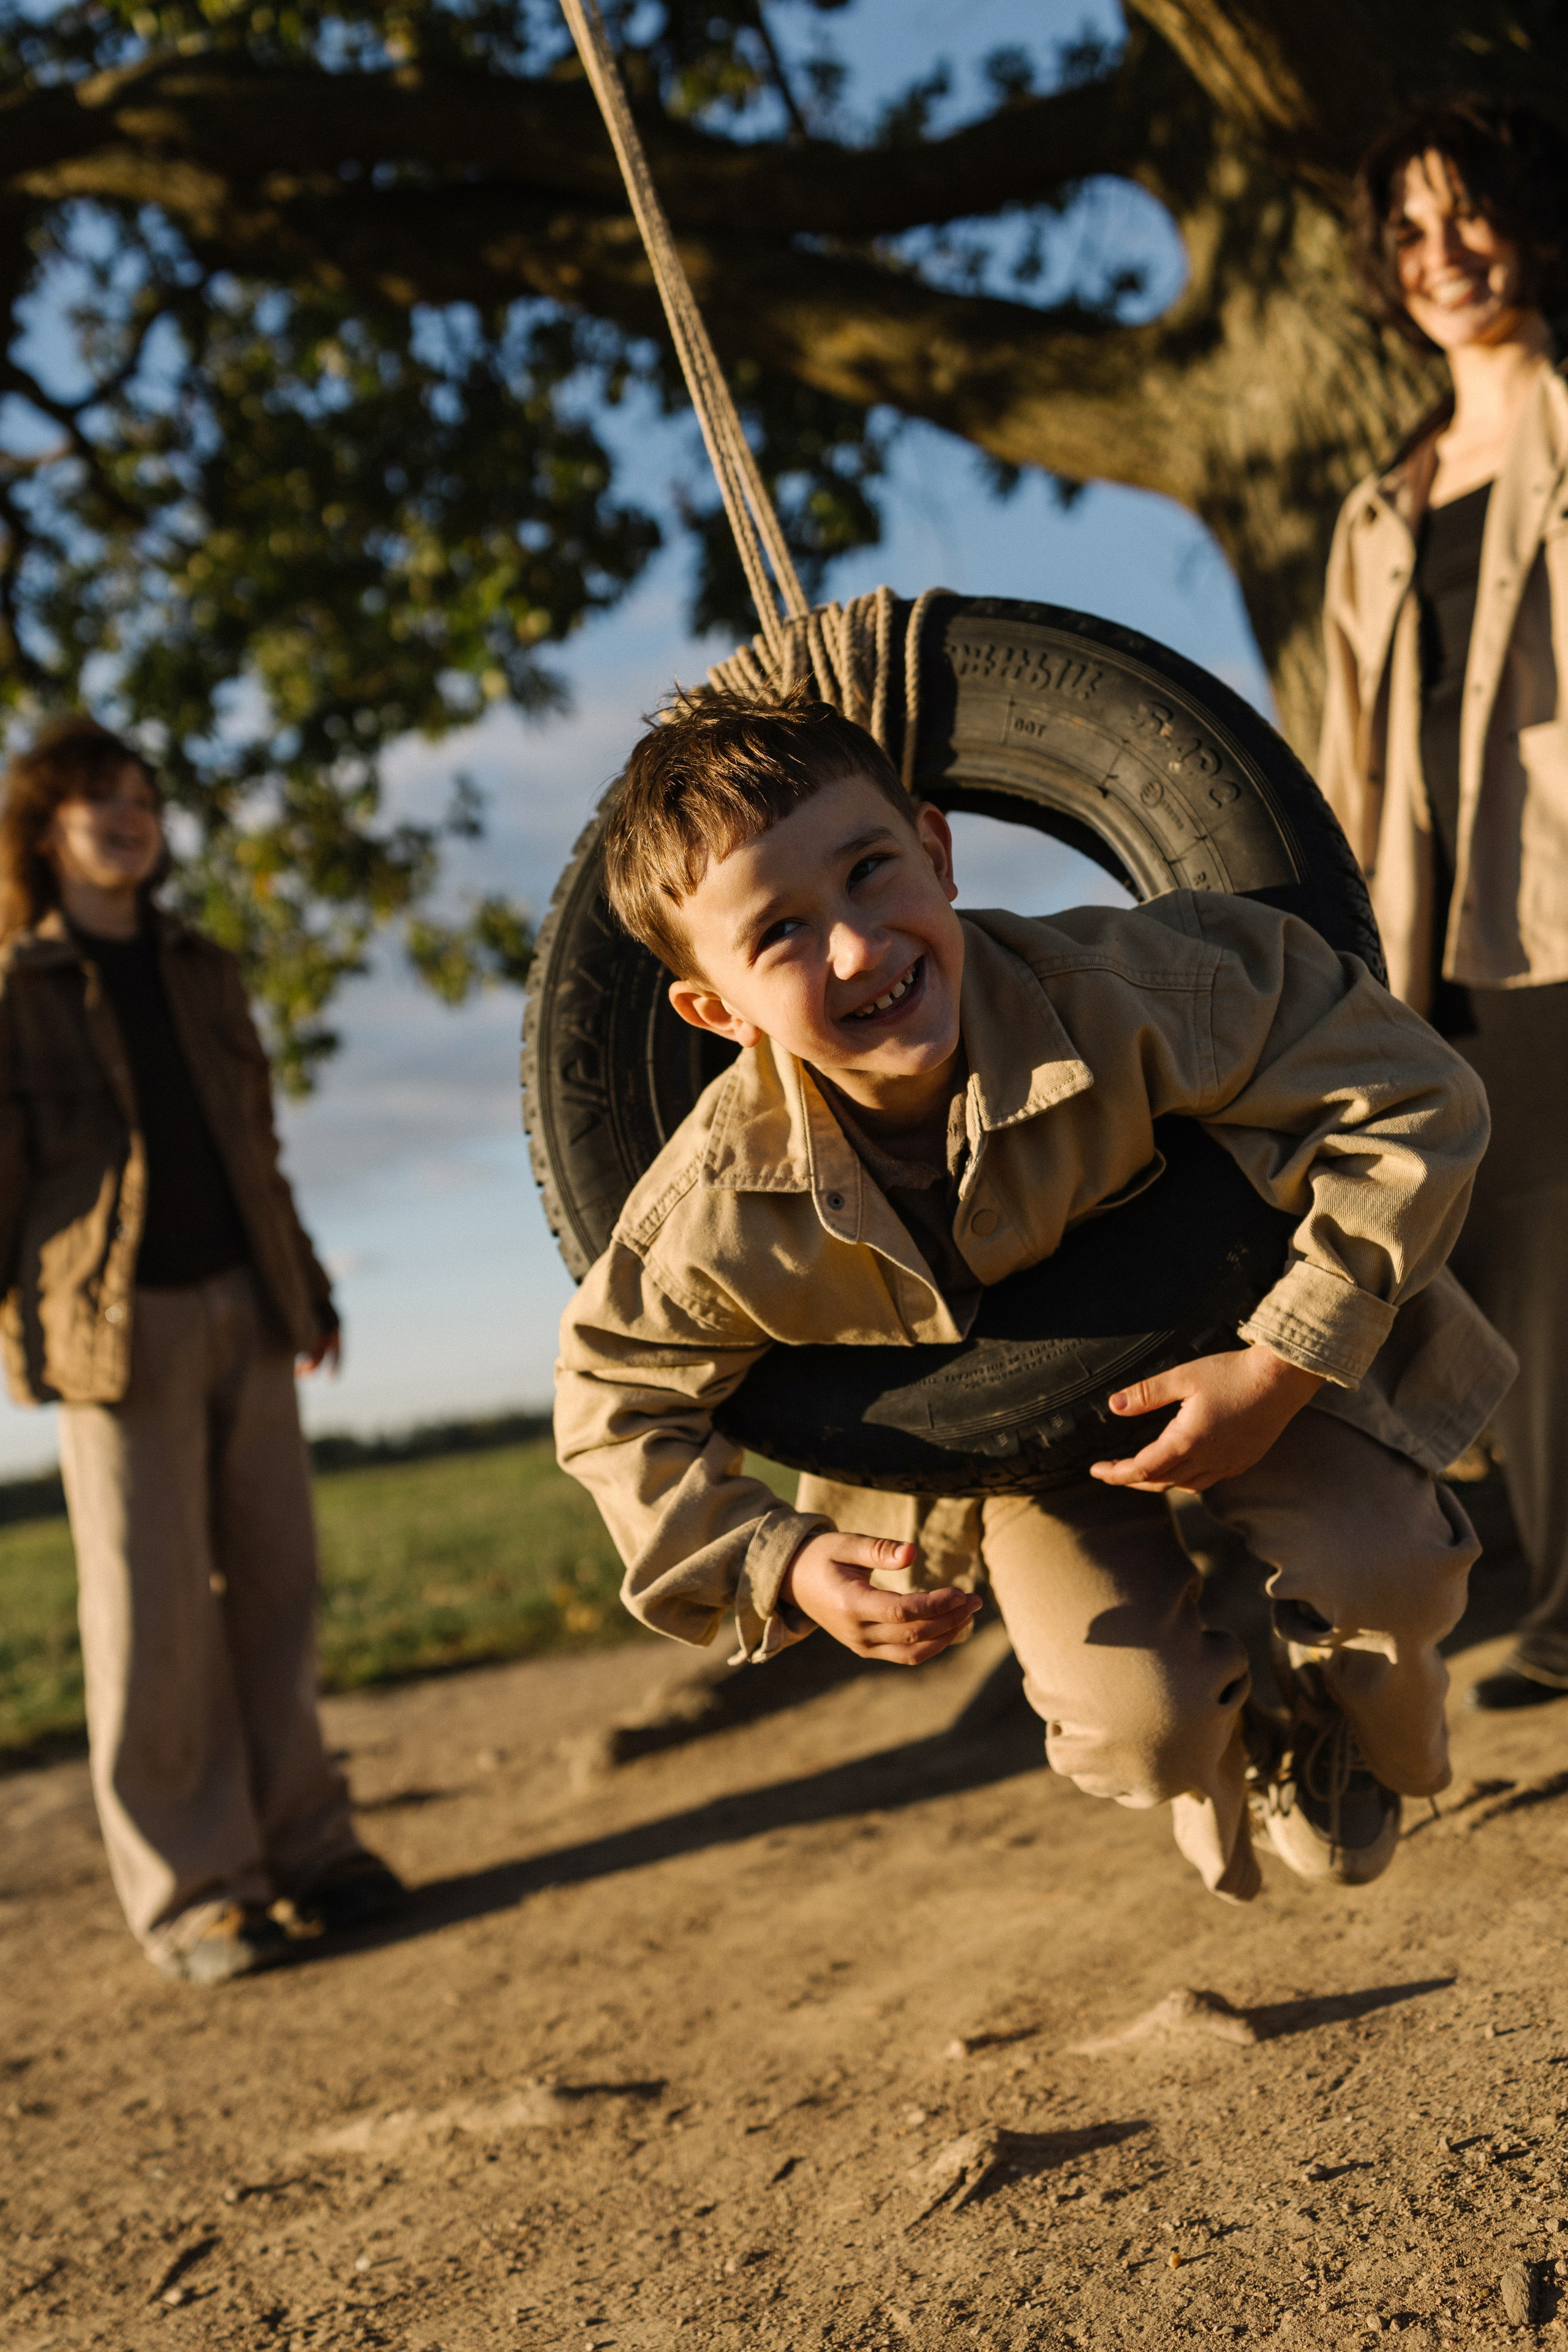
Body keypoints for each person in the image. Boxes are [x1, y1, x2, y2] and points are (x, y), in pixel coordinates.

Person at [555, 689, 1512, 1904]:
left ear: (936, 851)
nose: (855, 947)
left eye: (867, 872)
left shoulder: (1134, 987)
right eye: (780, 934)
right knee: (1136, 1727)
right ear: (713, 1010)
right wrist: (779, 1562)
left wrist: (1284, 1362)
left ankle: (1340, 1733)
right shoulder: (717, 1205)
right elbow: (608, 1403)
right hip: (1008, 1454)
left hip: (1249, 1348)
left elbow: (1405, 1093)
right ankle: (1225, 1755)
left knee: (1386, 1573)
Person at [0, 717, 402, 1981]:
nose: (129, 818)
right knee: (151, 1619)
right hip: (114, 1336)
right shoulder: (14, 991)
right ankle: (197, 1893)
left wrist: (310, 1285)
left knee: (280, 1594)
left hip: (246, 1301)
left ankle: (313, 1852)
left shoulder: (205, 967)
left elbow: (257, 1147)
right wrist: (24, 1337)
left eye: (143, 798)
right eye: (99, 801)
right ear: (45, 830)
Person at [1320, 94, 1568, 1711]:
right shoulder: (1375, 510)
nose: (1442, 253)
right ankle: (1557, 1599)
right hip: (1445, 938)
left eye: (1465, 211)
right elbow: (1348, 754)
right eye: (1406, 231)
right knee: (1519, 1280)